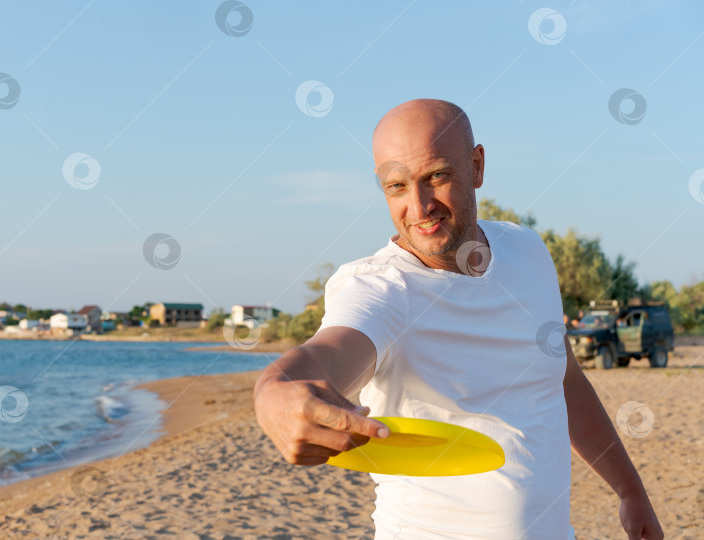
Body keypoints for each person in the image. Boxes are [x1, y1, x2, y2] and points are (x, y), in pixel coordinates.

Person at [253, 99, 662, 539]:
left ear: (477, 166)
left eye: (437, 177)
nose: (420, 205)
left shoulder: (527, 251)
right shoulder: (379, 290)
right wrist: (273, 391)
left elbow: (563, 380)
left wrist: (630, 491)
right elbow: (327, 353)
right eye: (396, 187)